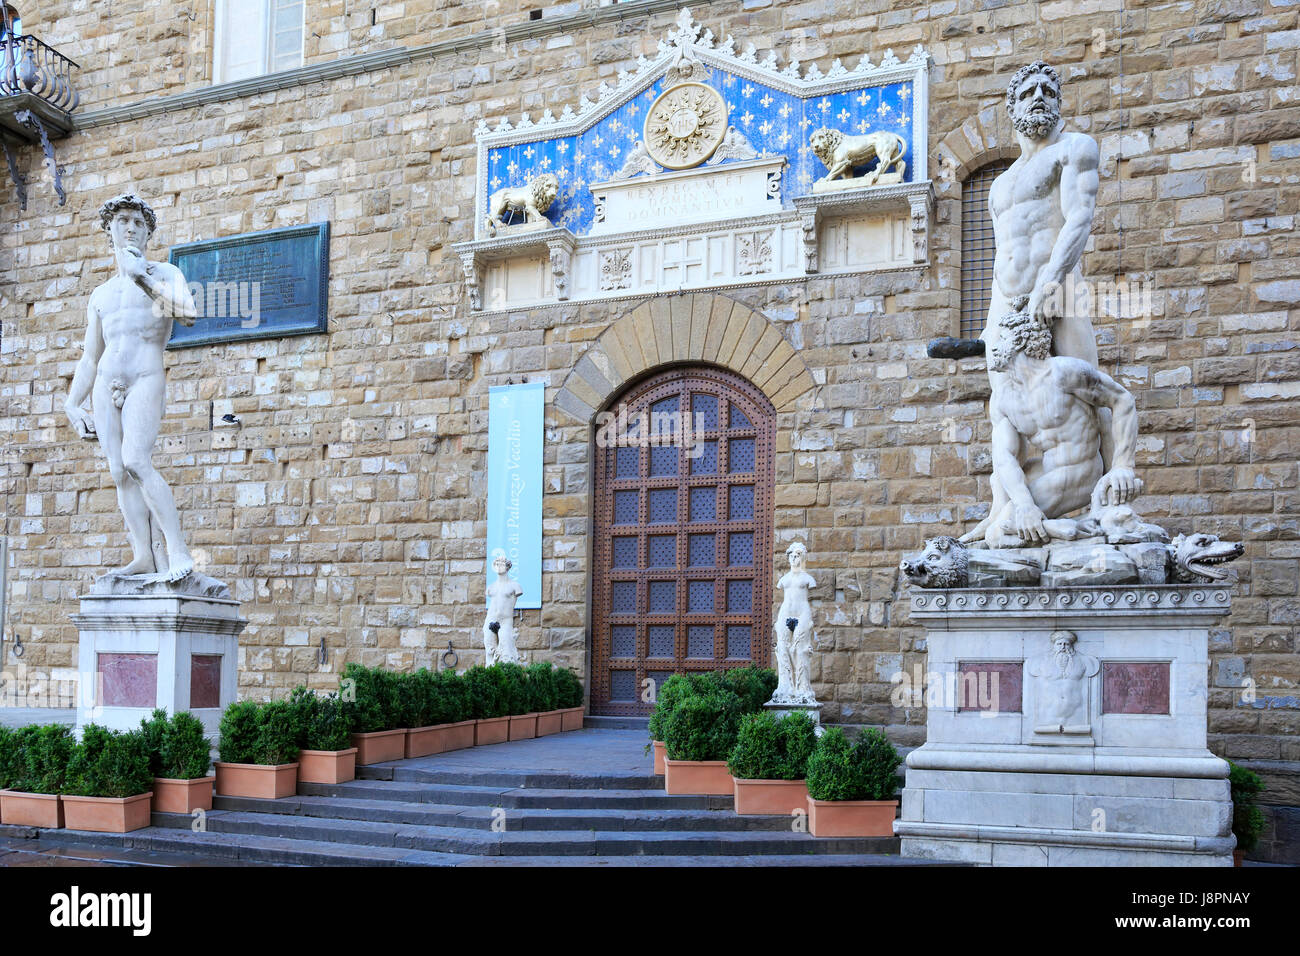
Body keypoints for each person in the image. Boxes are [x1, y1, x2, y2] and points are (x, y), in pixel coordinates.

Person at [964, 61, 1107, 543]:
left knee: (1088, 389)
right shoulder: (1000, 185)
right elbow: (1005, 251)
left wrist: (1051, 279)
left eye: (1049, 89)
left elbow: (1078, 220)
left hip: (1061, 288)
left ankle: (1108, 498)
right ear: (1013, 106)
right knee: (1003, 406)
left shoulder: (1074, 149)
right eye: (1028, 92)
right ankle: (1002, 508)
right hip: (1005, 303)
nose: (1039, 96)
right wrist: (992, 318)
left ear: (1059, 101)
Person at [64, 193, 199, 581]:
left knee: (137, 460)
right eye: (122, 220)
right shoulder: (101, 294)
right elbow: (90, 356)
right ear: (110, 230)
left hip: (145, 376)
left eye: (139, 223)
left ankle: (177, 551)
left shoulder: (166, 274)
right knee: (119, 470)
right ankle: (142, 554)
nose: (131, 228)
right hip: (106, 382)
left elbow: (188, 314)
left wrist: (142, 279)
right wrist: (73, 403)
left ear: (148, 233)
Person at [984, 309, 1141, 549]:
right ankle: (1077, 528)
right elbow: (1004, 458)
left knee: (999, 532)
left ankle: (1068, 528)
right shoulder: (1002, 398)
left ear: (1018, 340)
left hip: (1080, 470)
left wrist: (1123, 466)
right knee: (999, 525)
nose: (991, 346)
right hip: (1049, 474)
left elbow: (1122, 400)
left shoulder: (1064, 372)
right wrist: (1025, 504)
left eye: (999, 338)